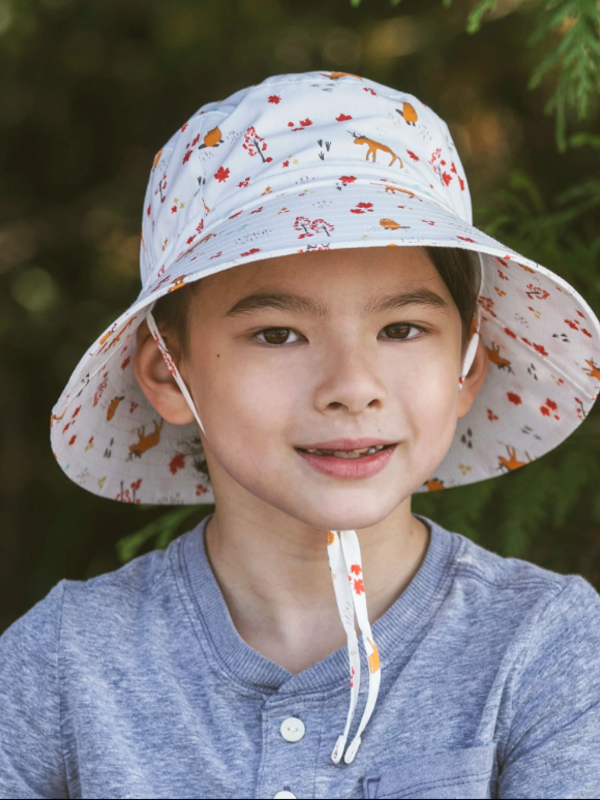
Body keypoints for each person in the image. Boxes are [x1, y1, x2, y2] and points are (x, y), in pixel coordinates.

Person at [1, 71, 600, 799]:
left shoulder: (545, 647)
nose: (352, 385)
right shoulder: (67, 660)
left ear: (469, 366)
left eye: (402, 329)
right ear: (169, 373)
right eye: (277, 334)